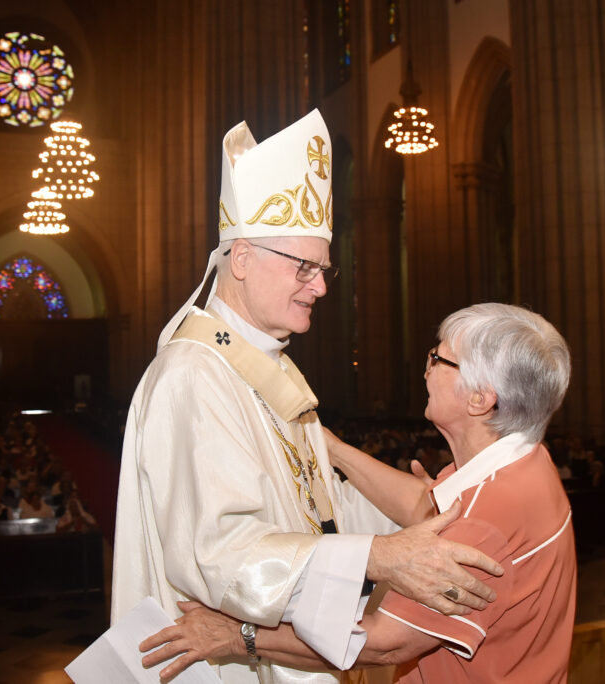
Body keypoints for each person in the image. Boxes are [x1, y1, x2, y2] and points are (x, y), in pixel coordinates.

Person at [113, 110, 503, 683]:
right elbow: (218, 554)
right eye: (303, 267)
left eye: (324, 270)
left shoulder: (268, 367)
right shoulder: (193, 375)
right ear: (241, 259)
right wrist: (379, 557)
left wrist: (430, 514)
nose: (319, 286)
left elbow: (319, 510)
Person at [142, 304, 577, 683]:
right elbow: (421, 504)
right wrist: (329, 449)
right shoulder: (523, 463)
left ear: (480, 399)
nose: (426, 368)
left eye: (439, 358)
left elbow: (383, 643)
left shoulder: (487, 517)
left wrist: (237, 636)